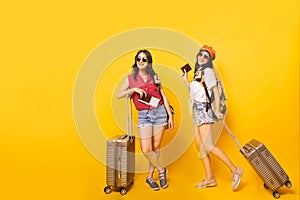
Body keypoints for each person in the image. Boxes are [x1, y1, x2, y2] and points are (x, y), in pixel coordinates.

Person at [182, 45, 243, 191]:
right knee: (200, 145)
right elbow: (196, 93)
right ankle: (210, 178)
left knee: (207, 145)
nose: (202, 57)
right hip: (197, 109)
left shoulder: (208, 71)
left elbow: (214, 91)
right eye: (201, 54)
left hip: (204, 110)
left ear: (209, 60)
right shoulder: (198, 72)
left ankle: (235, 170)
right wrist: (186, 80)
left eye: (206, 56)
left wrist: (217, 110)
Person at [118, 49, 174, 191]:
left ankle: (150, 177)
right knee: (146, 148)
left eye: (144, 59)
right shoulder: (130, 79)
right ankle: (162, 170)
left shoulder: (155, 76)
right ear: (136, 62)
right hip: (144, 115)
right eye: (139, 59)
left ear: (148, 62)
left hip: (160, 112)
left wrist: (170, 115)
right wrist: (134, 90)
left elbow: (163, 96)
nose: (141, 61)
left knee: (155, 147)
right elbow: (119, 94)